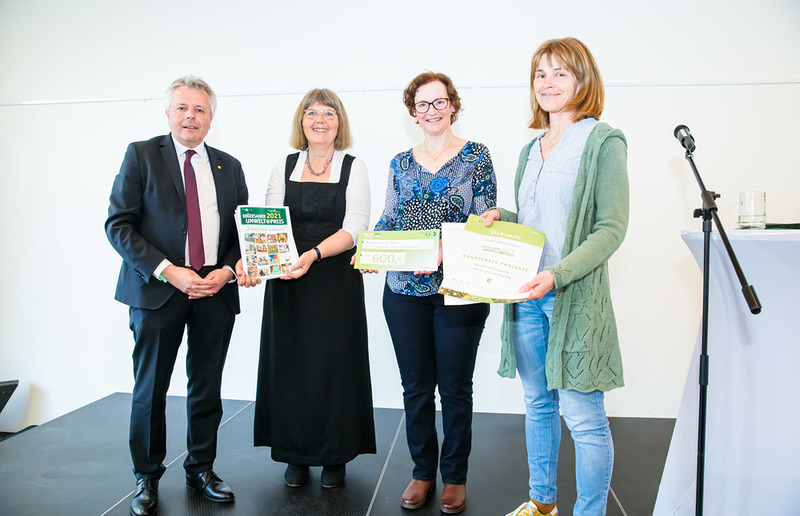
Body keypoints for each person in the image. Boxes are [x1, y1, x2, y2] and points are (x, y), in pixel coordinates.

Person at [482, 38, 629, 516]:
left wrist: (558, 274)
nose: (548, 83)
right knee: (538, 405)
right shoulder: (530, 149)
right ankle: (542, 505)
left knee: (583, 419)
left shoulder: (604, 142)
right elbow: (535, 221)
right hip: (526, 294)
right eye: (540, 74)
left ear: (583, 81)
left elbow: (611, 229)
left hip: (573, 297)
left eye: (560, 73)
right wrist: (500, 216)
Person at [105, 75, 249, 516]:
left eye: (200, 109)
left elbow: (244, 231)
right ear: (168, 113)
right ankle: (146, 477)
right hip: (158, 289)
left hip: (214, 290)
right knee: (151, 389)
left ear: (211, 118)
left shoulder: (229, 165)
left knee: (206, 388)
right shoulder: (142, 155)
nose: (191, 116)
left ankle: (201, 468)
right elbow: (119, 226)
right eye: (183, 108)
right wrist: (170, 272)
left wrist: (225, 271)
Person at [237, 88, 375, 489]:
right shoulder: (283, 165)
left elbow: (356, 228)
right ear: (302, 122)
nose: (319, 120)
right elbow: (268, 221)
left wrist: (313, 254)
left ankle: (335, 455)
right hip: (287, 283)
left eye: (328, 113)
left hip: (335, 284)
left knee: (335, 367)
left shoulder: (355, 166)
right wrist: (256, 256)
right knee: (291, 367)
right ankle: (294, 453)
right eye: (311, 113)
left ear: (339, 123)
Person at [372, 72, 496, 514]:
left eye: (439, 102)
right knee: (416, 388)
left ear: (453, 105)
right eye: (422, 104)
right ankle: (423, 471)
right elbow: (389, 219)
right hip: (404, 289)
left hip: (460, 289)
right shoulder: (400, 163)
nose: (432, 110)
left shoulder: (477, 157)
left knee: (456, 387)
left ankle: (455, 475)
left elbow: (487, 220)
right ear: (412, 112)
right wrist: (371, 249)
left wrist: (451, 242)